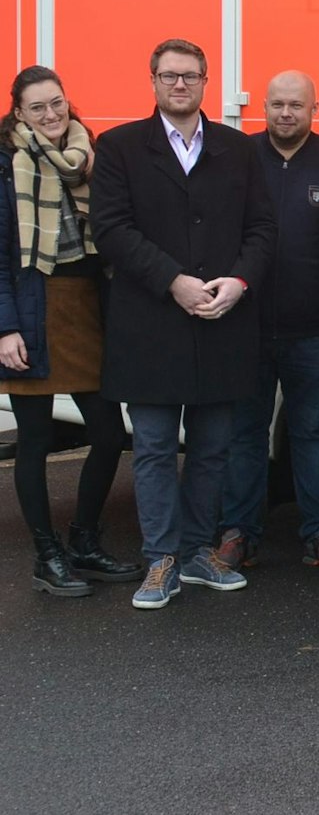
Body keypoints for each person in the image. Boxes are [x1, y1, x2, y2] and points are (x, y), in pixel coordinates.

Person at [92, 38, 276, 610]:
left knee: (212, 448)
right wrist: (174, 280)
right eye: (169, 75)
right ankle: (160, 559)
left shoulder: (237, 150)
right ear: (152, 81)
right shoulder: (120, 147)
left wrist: (239, 282)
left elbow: (263, 229)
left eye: (190, 76)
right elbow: (112, 230)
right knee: (150, 448)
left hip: (222, 321)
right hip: (150, 325)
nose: (179, 84)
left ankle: (197, 551)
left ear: (205, 82)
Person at [0, 67, 142, 596]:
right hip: (33, 307)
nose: (51, 115)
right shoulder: (6, 164)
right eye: (38, 108)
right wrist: (6, 328)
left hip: (84, 306)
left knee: (107, 433)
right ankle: (46, 553)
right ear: (20, 113)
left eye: (56, 103)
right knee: (35, 439)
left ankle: (83, 539)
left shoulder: (87, 156)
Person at [217, 72, 319, 575]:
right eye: (276, 104)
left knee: (313, 433)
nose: (285, 113)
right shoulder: (238, 156)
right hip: (245, 326)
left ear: (314, 108)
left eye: (296, 105)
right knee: (245, 433)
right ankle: (239, 533)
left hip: (315, 328)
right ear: (264, 108)